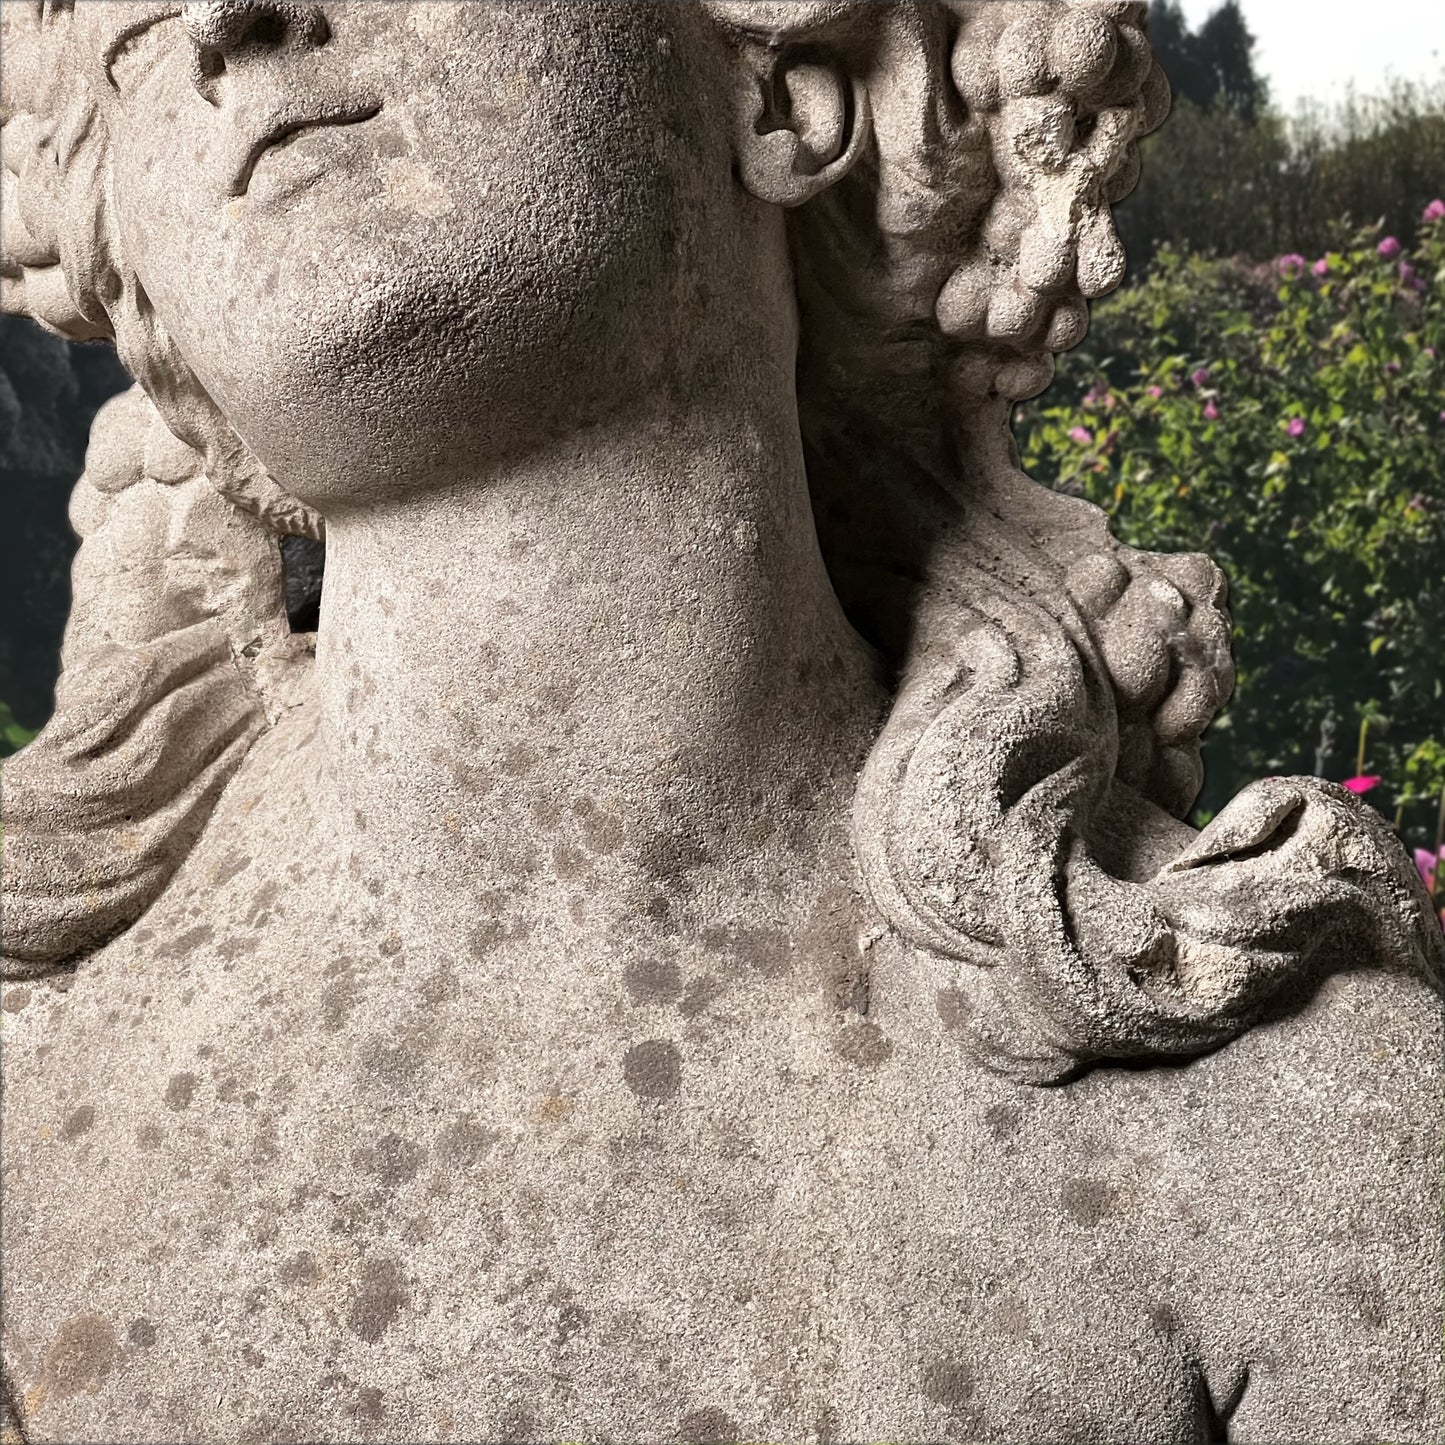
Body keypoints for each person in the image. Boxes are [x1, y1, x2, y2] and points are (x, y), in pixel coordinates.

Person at [2, 3, 1440, 1440]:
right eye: (134, 18)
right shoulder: (31, 1111)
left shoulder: (1285, 1129)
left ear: (790, 94)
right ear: (140, 288)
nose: (229, 23)